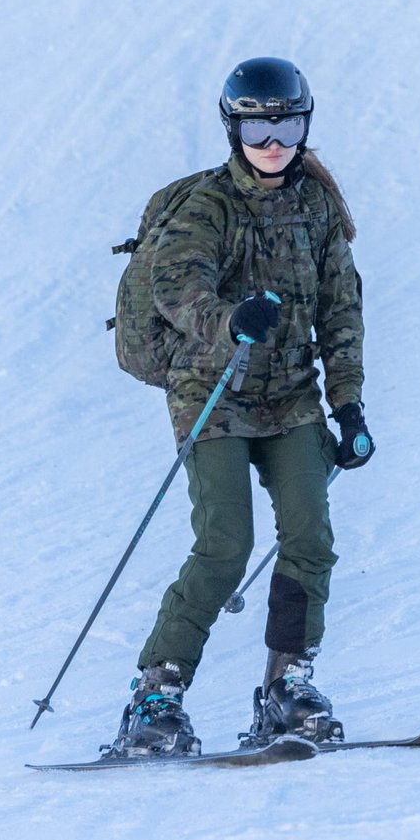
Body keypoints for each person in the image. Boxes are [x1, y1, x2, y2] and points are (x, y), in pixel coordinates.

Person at [107, 57, 372, 757]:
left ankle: (288, 684)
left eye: (285, 122)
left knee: (309, 537)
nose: (274, 140)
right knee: (225, 545)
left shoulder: (317, 208)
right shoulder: (209, 205)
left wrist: (348, 407)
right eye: (258, 125)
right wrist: (229, 320)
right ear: (235, 128)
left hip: (290, 397)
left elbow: (342, 309)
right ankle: (156, 695)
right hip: (213, 390)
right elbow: (174, 282)